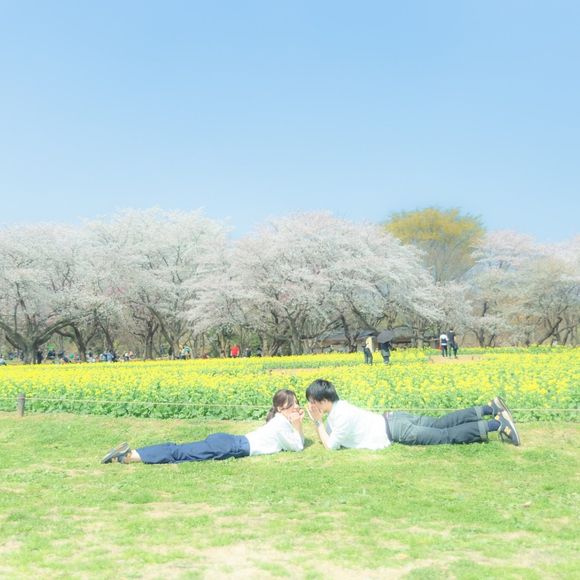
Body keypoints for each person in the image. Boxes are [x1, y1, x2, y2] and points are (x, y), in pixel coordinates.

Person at [101, 389, 305, 464]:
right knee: (180, 453)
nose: (297, 407)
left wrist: (295, 424)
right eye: (293, 404)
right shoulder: (279, 423)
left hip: (229, 442)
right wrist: (298, 424)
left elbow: (293, 442)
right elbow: (297, 446)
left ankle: (128, 455)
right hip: (231, 446)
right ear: (281, 408)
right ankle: (130, 456)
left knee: (180, 450)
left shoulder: (278, 421)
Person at [305, 379, 521, 450]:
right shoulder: (341, 407)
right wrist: (321, 422)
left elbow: (331, 446)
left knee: (445, 435)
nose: (310, 406)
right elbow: (331, 436)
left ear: (323, 401)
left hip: (396, 430)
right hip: (393, 419)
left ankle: (497, 425)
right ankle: (490, 408)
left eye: (312, 402)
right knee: (440, 423)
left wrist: (317, 422)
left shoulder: (340, 416)